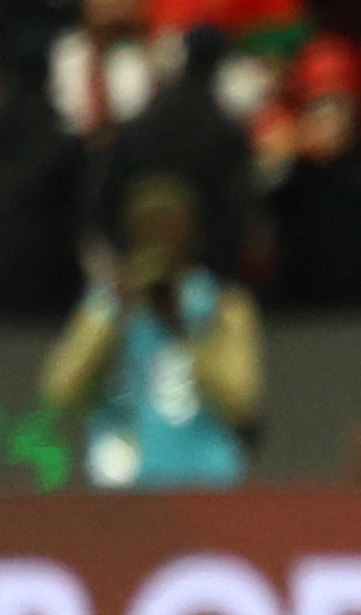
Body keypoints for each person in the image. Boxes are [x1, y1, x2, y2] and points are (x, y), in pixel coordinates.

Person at [41, 173, 258, 492]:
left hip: (207, 478)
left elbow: (242, 401)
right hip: (122, 481)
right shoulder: (108, 304)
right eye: (148, 226)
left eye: (170, 226)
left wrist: (179, 325)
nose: (159, 237)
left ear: (190, 234)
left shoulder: (222, 305)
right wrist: (114, 311)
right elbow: (58, 392)